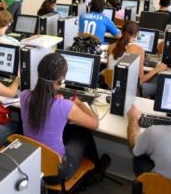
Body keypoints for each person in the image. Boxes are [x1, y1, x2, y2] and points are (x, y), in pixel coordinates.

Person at [20, 53, 108, 183]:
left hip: (32, 164)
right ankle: (97, 171)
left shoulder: (24, 95)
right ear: (61, 79)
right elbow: (95, 123)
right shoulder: (65, 106)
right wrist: (79, 104)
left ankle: (96, 170)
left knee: (67, 130)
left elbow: (44, 106)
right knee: (83, 132)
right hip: (57, 172)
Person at [107, 21, 167, 97]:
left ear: (121, 32)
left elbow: (109, 70)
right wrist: (157, 69)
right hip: (131, 93)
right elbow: (142, 80)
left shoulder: (110, 47)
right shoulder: (140, 50)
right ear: (137, 35)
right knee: (160, 84)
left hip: (111, 89)